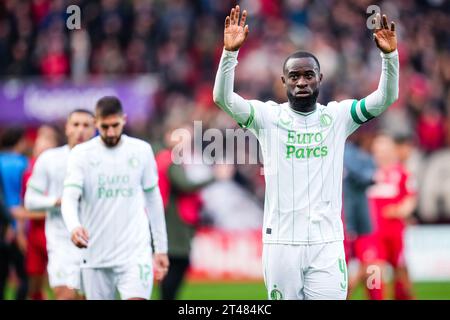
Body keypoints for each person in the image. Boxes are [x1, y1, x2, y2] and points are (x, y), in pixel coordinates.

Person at [213, 5, 399, 300]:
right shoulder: (267, 117)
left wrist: (389, 57)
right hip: (281, 244)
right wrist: (229, 54)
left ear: (320, 79)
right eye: (294, 76)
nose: (302, 82)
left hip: (327, 244)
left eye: (308, 75)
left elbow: (384, 98)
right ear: (283, 81)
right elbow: (222, 98)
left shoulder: (338, 117)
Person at [61, 97, 169, 300]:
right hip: (95, 255)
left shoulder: (141, 150)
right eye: (104, 127)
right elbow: (69, 198)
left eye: (115, 125)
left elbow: (153, 200)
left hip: (134, 254)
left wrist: (161, 248)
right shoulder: (81, 154)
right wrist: (74, 227)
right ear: (96, 123)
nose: (110, 132)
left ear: (124, 120)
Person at [24, 110, 96, 299]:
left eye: (86, 125)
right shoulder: (49, 159)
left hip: (96, 241)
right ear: (67, 128)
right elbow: (30, 201)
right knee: (65, 294)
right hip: (61, 242)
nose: (80, 130)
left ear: (95, 129)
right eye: (75, 124)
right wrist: (59, 201)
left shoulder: (103, 160)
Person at [367, 133, 416, 300]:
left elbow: (410, 199)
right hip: (373, 234)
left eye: (384, 148)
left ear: (392, 150)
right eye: (378, 148)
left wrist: (400, 210)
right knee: (373, 271)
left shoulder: (402, 173)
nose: (381, 152)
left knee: (401, 274)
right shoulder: (368, 173)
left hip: (395, 233)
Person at [22, 124, 61, 300]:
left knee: (63, 287)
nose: (42, 143)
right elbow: (26, 206)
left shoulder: (62, 168)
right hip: (35, 236)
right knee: (34, 287)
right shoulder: (28, 171)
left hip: (57, 234)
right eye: (40, 138)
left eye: (48, 138)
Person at [0, 127, 29, 300]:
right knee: (23, 276)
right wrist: (16, 226)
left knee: (1, 276)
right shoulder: (24, 163)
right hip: (22, 222)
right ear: (19, 141)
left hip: (2, 224)